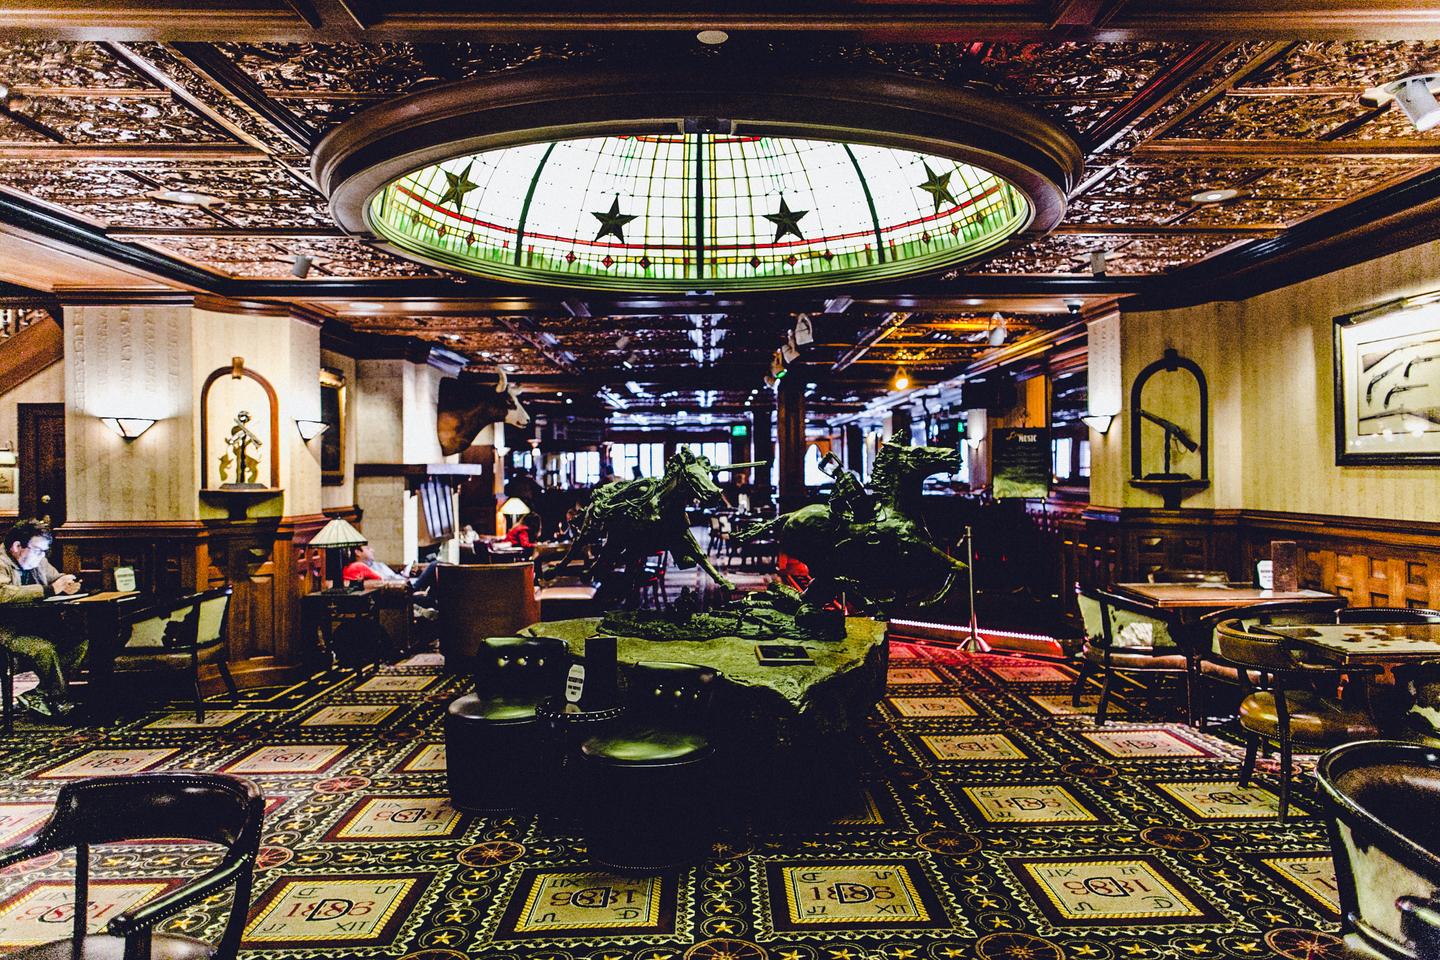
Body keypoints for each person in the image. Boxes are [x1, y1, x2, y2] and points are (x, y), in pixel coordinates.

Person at [0, 519, 83, 720]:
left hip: (39, 626)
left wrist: (68, 583)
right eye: (38, 550)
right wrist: (49, 589)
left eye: (45, 551)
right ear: (17, 547)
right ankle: (59, 701)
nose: (42, 556)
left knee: (80, 643)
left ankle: (38, 696)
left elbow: (55, 578)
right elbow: (2, 593)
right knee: (44, 650)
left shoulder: (38, 560)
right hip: (7, 632)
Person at [342, 543, 439, 608]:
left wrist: (404, 574)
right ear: (357, 552)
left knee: (435, 578)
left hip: (403, 583)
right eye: (367, 548)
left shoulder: (375, 564)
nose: (372, 550)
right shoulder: (359, 566)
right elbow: (382, 580)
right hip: (402, 589)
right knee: (434, 565)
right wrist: (410, 591)